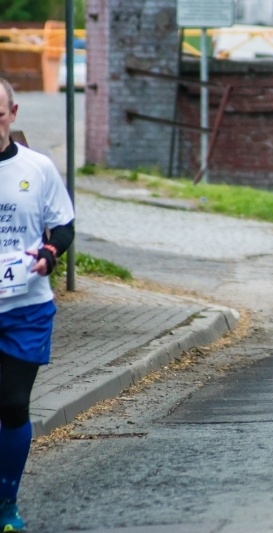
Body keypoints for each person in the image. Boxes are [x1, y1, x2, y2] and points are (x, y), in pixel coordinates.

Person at [0, 77, 76, 532]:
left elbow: (62, 226)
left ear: (12, 112)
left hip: (25, 305)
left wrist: (49, 256)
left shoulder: (38, 168)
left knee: (11, 404)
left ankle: (7, 502)